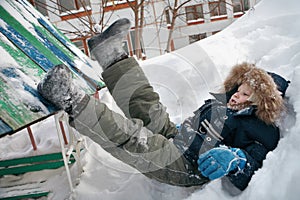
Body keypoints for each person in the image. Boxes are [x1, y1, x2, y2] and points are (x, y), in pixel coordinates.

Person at [37, 18, 289, 193]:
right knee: (148, 106)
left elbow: (255, 164)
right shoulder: (226, 105)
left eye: (246, 96)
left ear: (259, 104)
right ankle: (110, 55)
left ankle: (71, 101)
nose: (236, 96)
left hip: (189, 166)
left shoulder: (262, 128)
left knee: (136, 140)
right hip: (178, 138)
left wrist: (236, 159)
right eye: (239, 90)